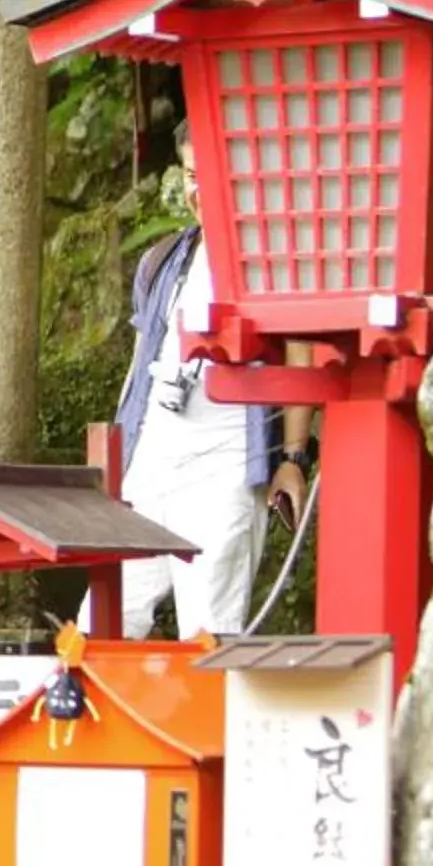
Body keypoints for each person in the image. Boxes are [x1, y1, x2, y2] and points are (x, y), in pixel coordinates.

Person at [104, 106, 316, 639]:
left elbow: (300, 354)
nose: (200, 192)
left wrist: (293, 458)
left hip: (228, 457)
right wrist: (114, 457)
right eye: (191, 176)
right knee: (107, 615)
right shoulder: (163, 258)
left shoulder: (272, 261)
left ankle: (205, 719)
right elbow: (138, 366)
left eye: (212, 177)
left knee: (209, 625)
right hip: (151, 453)